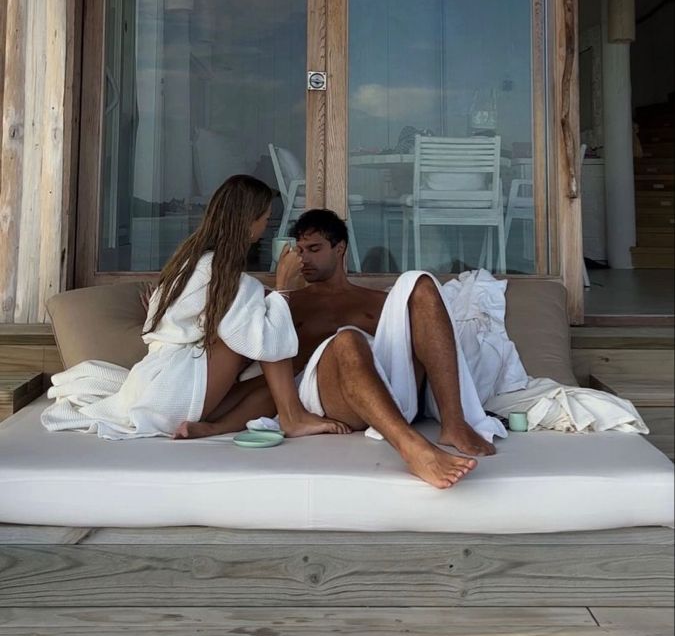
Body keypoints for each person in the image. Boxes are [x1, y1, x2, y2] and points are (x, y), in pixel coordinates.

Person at [175, 209, 506, 490]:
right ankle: (414, 449)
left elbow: (418, 349)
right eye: (299, 250)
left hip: (393, 390)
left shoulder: (378, 303)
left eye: (314, 249)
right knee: (347, 339)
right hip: (327, 398)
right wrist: (281, 291)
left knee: (419, 282)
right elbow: (253, 375)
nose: (303, 258)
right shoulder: (283, 304)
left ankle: (454, 421)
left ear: (340, 249)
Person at [41, 179, 348, 441]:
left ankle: (213, 427)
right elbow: (262, 341)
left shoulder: (193, 261)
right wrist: (284, 287)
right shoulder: (217, 269)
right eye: (266, 217)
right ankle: (293, 418)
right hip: (173, 392)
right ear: (249, 219)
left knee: (280, 386)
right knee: (265, 333)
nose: (267, 225)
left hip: (163, 386)